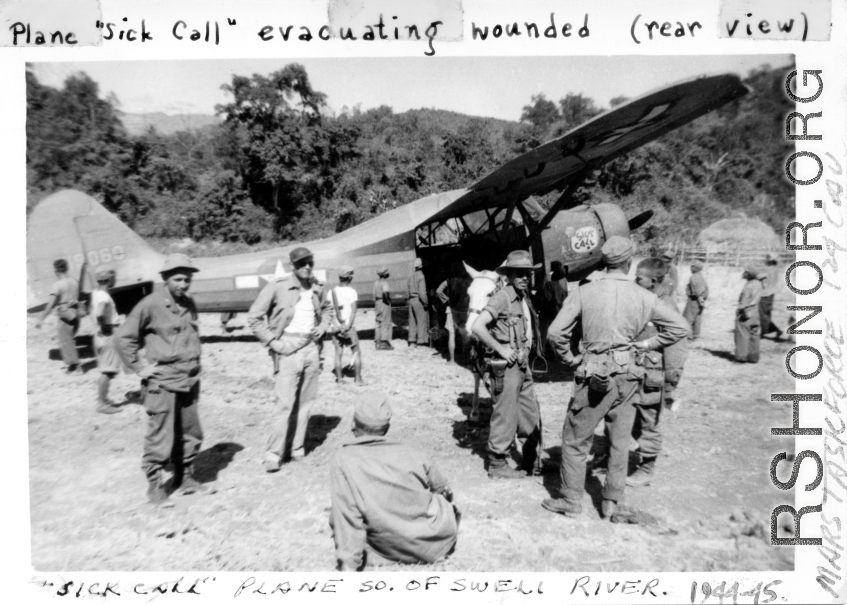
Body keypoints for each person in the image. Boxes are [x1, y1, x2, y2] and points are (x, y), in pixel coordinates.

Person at [544, 237, 688, 519]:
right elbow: (680, 328)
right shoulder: (646, 296)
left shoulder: (584, 292)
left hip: (594, 373)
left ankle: (572, 501)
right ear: (628, 262)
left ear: (603, 261)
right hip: (630, 374)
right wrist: (646, 345)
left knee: (575, 439)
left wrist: (570, 359)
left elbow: (555, 333)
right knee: (620, 441)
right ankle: (612, 502)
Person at [115, 254, 208, 505]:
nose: (183, 284)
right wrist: (138, 368)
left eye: (187, 279)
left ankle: (184, 477)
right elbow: (123, 338)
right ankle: (155, 488)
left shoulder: (188, 302)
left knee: (190, 431)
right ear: (165, 279)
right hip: (162, 381)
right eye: (178, 279)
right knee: (161, 435)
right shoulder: (150, 304)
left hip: (188, 378)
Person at [329, 390, 459, 570]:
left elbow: (348, 516)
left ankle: (381, 555)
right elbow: (443, 489)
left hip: (390, 545)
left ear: (353, 423)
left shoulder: (343, 459)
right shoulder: (413, 450)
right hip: (436, 542)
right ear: (387, 427)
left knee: (340, 515)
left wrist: (347, 566)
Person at [246, 247, 332, 472]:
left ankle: (296, 449)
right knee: (284, 404)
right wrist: (272, 342)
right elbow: (254, 317)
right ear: (292, 266)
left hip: (311, 349)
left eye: (310, 262)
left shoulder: (318, 287)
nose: (307, 267)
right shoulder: (278, 286)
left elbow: (328, 309)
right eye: (302, 263)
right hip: (286, 350)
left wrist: (323, 326)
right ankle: (273, 455)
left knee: (305, 403)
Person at [471, 250, 545, 479]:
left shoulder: (522, 298)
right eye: (519, 273)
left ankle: (531, 461)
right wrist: (501, 348)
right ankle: (497, 464)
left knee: (529, 412)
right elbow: (477, 326)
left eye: (528, 273)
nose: (525, 277)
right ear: (509, 275)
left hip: (522, 364)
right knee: (505, 414)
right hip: (506, 366)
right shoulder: (502, 297)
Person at [627, 258, 689, 487]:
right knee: (632, 416)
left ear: (652, 281)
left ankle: (646, 467)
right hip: (637, 371)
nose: (635, 280)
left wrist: (671, 383)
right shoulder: (648, 299)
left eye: (639, 277)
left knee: (647, 420)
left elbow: (677, 348)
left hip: (653, 375)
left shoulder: (665, 305)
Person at [35, 259, 82, 374]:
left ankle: (75, 367)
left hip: (65, 314)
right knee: (70, 339)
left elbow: (51, 304)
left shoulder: (57, 285)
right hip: (75, 313)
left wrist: (41, 318)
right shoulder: (74, 281)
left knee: (66, 341)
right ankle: (72, 366)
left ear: (56, 270)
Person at [91, 269, 123, 415]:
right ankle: (102, 404)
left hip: (99, 335)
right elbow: (99, 313)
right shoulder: (104, 296)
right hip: (107, 334)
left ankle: (103, 399)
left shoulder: (96, 293)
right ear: (109, 280)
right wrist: (105, 327)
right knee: (108, 371)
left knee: (106, 369)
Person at [330, 266, 364, 386]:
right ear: (349, 278)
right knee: (356, 353)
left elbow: (330, 311)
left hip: (336, 327)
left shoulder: (332, 291)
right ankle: (358, 380)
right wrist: (348, 326)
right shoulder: (352, 292)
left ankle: (339, 380)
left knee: (338, 354)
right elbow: (354, 311)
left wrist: (336, 325)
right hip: (349, 327)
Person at [436, 262, 472, 364]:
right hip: (464, 310)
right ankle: (466, 360)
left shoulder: (448, 281)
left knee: (451, 334)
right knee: (465, 335)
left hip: (451, 310)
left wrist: (447, 299)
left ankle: (452, 360)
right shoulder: (468, 282)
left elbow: (438, 291)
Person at [534, 261, 569, 351]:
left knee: (544, 332)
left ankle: (544, 352)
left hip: (548, 312)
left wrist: (542, 289)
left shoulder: (549, 282)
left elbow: (547, 298)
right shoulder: (563, 281)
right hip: (559, 311)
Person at [735, 267, 762, 363]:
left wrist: (739, 309)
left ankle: (741, 357)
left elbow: (744, 302)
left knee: (742, 334)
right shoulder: (758, 284)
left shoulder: (748, 286)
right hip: (755, 311)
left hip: (746, 312)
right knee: (754, 334)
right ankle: (753, 357)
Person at [758, 253, 784, 340]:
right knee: (766, 313)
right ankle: (766, 331)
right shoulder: (775, 269)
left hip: (764, 294)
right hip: (771, 293)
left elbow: (759, 276)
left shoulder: (767, 269)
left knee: (762, 314)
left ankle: (767, 331)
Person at [682, 260, 709, 340]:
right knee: (697, 318)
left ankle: (686, 336)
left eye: (692, 266)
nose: (691, 268)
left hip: (694, 300)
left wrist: (699, 299)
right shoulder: (700, 276)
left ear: (695, 268)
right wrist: (702, 301)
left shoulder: (693, 277)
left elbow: (696, 290)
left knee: (687, 318)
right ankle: (696, 335)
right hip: (700, 300)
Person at [406, 258, 429, 347]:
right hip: (419, 300)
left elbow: (407, 291)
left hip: (411, 300)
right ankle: (421, 341)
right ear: (421, 267)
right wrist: (425, 302)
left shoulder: (410, 276)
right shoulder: (421, 276)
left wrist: (408, 300)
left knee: (412, 321)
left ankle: (412, 341)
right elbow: (422, 293)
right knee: (421, 321)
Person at [373, 267, 393, 350]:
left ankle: (377, 341)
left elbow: (374, 295)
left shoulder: (376, 283)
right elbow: (385, 293)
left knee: (378, 321)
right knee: (385, 321)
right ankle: (384, 342)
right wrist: (388, 301)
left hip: (377, 302)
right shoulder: (384, 282)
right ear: (385, 274)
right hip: (384, 303)